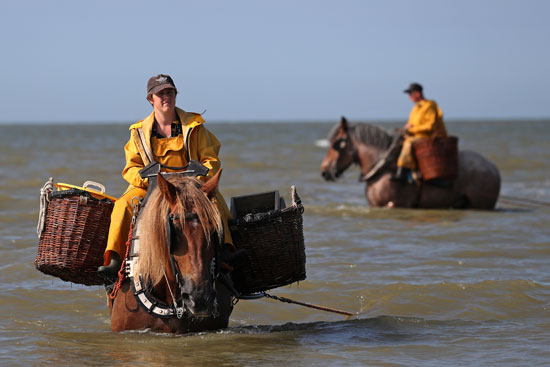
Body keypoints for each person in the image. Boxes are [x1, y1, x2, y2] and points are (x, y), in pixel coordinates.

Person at [98, 74, 236, 280]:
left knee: (215, 203)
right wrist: (148, 179)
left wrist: (198, 177)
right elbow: (131, 168)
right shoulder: (138, 132)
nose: (166, 97)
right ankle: (115, 260)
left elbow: (211, 160)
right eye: (160, 93)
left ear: (175, 95)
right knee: (123, 205)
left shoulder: (195, 126)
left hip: (190, 187)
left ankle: (226, 252)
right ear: (150, 99)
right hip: (151, 186)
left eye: (169, 92)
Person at [392, 82, 448, 182]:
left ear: (417, 94)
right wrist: (404, 130)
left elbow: (430, 126)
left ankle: (402, 173)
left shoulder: (429, 105)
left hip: (428, 136)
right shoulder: (415, 108)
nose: (409, 97)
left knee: (409, 143)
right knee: (396, 141)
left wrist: (411, 130)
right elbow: (410, 124)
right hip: (416, 135)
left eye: (410, 94)